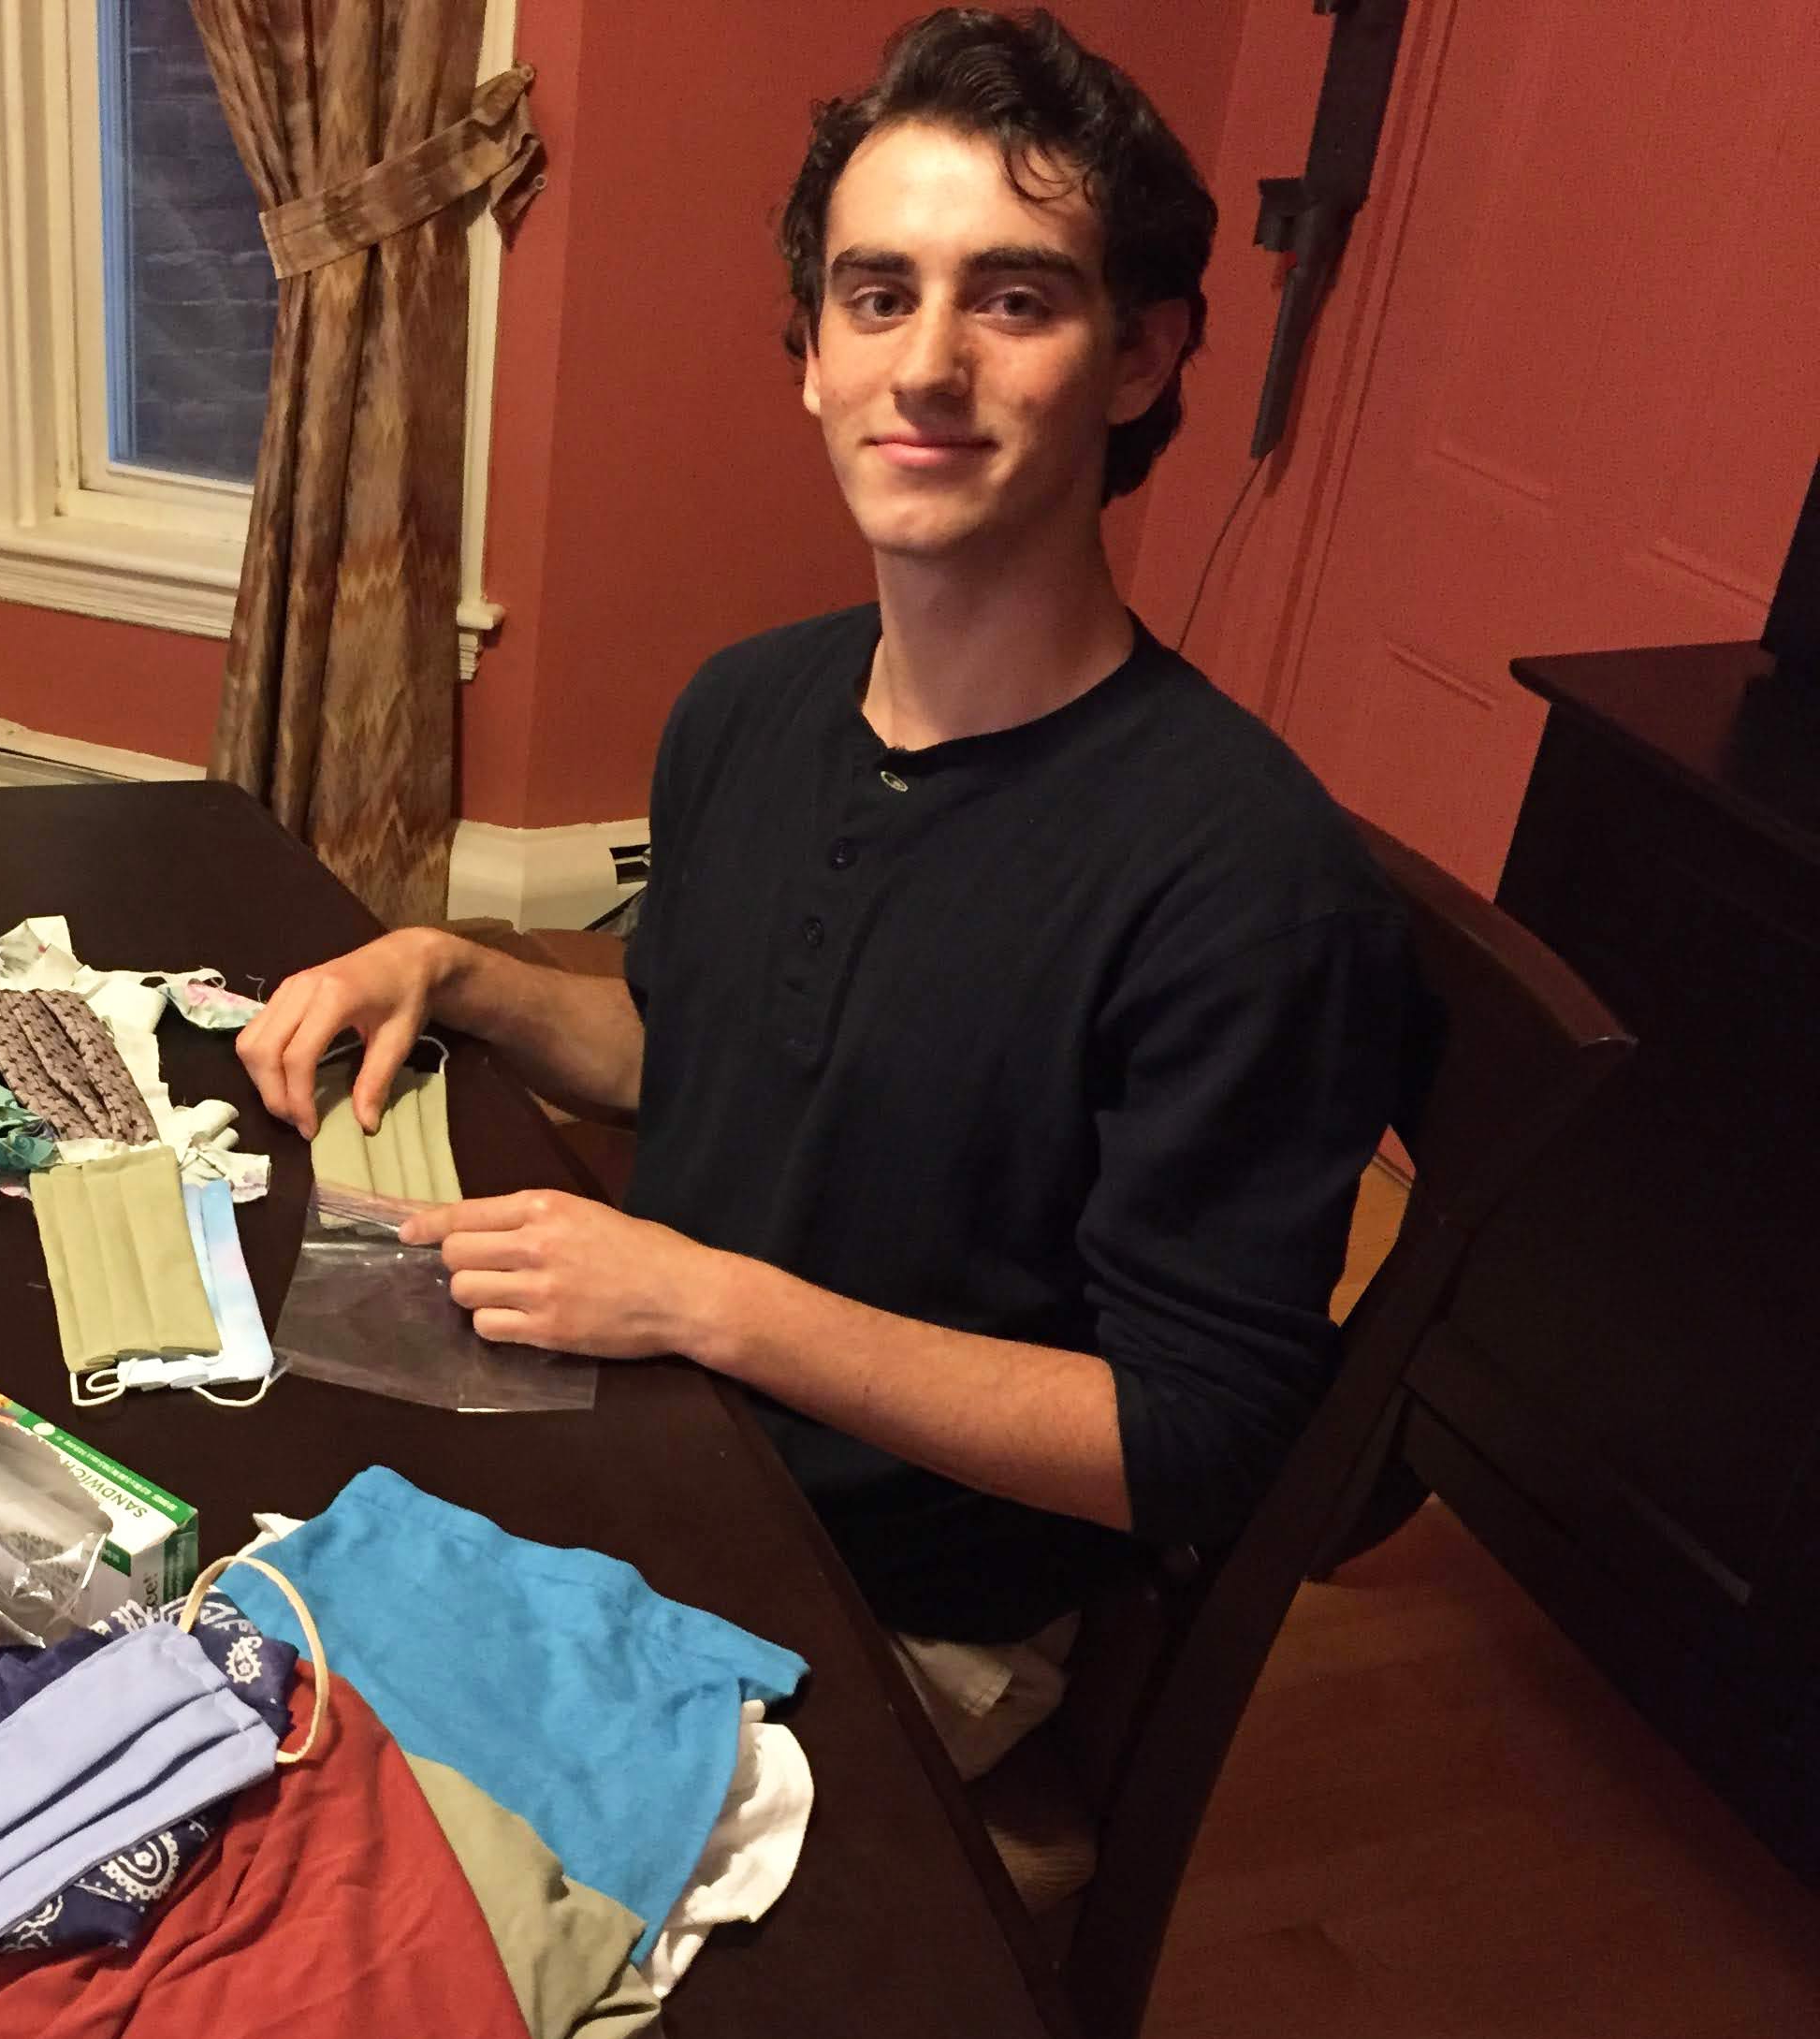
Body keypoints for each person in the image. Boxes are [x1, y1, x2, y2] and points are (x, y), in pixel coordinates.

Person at [235, 7, 1413, 1777]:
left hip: (889, 1616)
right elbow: (690, 1044)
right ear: (810, 354)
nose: (927, 365)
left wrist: (701, 1298)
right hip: (649, 1451)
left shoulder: (1243, 878)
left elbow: (1190, 1441)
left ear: (1146, 356)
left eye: (1014, 300)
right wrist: (457, 969)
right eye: (878, 295)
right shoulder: (754, 705)